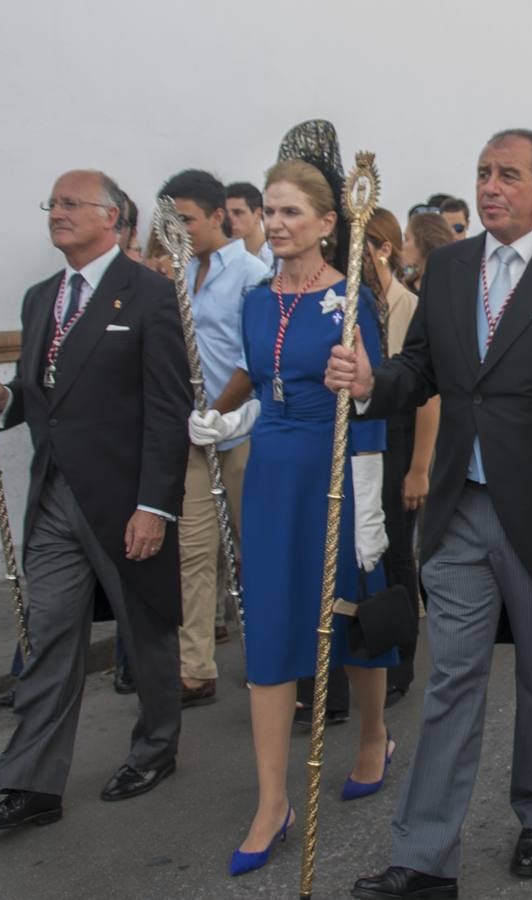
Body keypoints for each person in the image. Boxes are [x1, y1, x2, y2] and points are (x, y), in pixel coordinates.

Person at [330, 127, 532, 900]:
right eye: (483, 174)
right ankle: (425, 857)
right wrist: (371, 381)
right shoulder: (451, 268)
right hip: (460, 511)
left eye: (508, 175)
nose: (491, 187)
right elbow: (422, 370)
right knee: (452, 677)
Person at [195, 125, 398, 877]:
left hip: (339, 470)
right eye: (268, 213)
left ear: (324, 222)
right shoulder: (254, 299)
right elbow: (257, 371)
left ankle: (373, 735)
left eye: (288, 213)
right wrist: (220, 412)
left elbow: (372, 398)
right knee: (273, 628)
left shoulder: (349, 301)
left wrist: (370, 506)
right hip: (274, 471)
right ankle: (272, 798)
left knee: (350, 607)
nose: (275, 224)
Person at [0, 169, 191, 829]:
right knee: (48, 635)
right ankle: (32, 784)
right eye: (52, 204)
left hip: (125, 501)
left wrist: (156, 506)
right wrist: (4, 399)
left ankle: (156, 746)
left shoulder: (148, 295)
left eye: (71, 204)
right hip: (55, 498)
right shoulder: (42, 299)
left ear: (112, 217)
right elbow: (44, 394)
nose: (56, 214)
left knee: (144, 633)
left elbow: (168, 409)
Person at [159, 169, 267, 708]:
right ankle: (194, 668)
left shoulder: (252, 271)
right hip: (194, 434)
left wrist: (218, 413)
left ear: (218, 216)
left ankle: (266, 657)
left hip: (241, 426)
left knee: (253, 550)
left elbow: (254, 359)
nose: (178, 231)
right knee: (194, 550)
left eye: (187, 221)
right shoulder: (175, 273)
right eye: (169, 223)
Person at [363, 206, 444, 707]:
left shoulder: (407, 305)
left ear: (383, 249)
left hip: (396, 441)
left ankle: (399, 660)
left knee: (395, 553)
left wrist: (418, 468)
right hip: (359, 438)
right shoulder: (346, 304)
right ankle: (364, 651)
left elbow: (427, 397)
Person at [399, 211, 454, 294]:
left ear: (422, 243)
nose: (402, 246)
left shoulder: (452, 289)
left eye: (407, 239)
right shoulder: (405, 286)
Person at [226, 182, 275, 270]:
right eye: (227, 214)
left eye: (238, 213)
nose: (230, 220)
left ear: (258, 215)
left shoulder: (277, 257)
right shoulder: (224, 256)